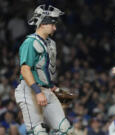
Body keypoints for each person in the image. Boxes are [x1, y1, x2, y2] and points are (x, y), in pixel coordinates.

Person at [15, 4, 75, 135]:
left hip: (46, 90)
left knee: (66, 130)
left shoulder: (50, 43)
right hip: (30, 90)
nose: (54, 27)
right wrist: (37, 91)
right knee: (38, 131)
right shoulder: (30, 42)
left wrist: (52, 86)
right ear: (42, 24)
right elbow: (25, 70)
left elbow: (43, 69)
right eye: (52, 24)